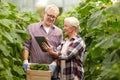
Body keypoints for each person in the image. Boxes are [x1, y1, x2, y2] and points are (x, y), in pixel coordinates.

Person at [22, 4, 63, 80]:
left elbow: (60, 51)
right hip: (34, 70)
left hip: (51, 73)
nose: (51, 18)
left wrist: (54, 63)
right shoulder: (31, 28)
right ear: (44, 13)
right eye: (49, 15)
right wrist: (25, 60)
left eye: (53, 17)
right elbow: (26, 46)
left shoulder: (59, 32)